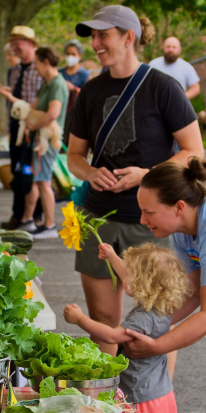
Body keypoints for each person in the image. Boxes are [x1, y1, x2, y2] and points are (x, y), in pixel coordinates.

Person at [66, 4, 204, 357]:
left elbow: (194, 151)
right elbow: (74, 158)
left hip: (153, 223)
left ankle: (154, 404)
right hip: (98, 219)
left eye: (103, 35)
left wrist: (147, 176)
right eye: (92, 36)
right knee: (103, 319)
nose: (95, 43)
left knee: (156, 316)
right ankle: (110, 406)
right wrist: (90, 172)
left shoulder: (163, 87)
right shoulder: (90, 92)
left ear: (129, 37)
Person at [64, 242, 191, 413]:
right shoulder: (164, 307)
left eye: (130, 274)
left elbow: (112, 336)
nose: (125, 278)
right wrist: (112, 256)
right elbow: (127, 275)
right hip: (159, 390)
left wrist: (80, 319)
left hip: (140, 393)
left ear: (143, 284)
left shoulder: (142, 318)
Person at [122, 159, 206, 364]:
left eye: (149, 212)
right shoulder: (182, 230)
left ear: (179, 207)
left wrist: (156, 346)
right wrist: (142, 326)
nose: (142, 220)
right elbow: (192, 291)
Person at [0, 46, 68, 239]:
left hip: (47, 140)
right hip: (37, 140)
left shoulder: (57, 84)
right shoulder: (46, 84)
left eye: (36, 63)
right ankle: (30, 220)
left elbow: (53, 113)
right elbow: (30, 107)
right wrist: (7, 95)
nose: (34, 67)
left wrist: (32, 126)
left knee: (43, 182)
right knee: (36, 181)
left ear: (45, 62)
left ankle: (49, 225)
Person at [0, 26, 43, 230]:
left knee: (29, 174)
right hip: (16, 127)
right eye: (12, 43)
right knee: (16, 172)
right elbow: (17, 95)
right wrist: (2, 89)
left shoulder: (39, 68)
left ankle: (33, 216)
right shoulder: (15, 70)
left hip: (32, 129)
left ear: (30, 44)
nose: (14, 47)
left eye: (17, 43)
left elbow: (34, 102)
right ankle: (19, 214)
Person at [59, 40, 90, 146]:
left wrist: (73, 88)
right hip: (59, 112)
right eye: (68, 54)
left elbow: (88, 96)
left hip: (75, 116)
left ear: (79, 56)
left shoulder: (84, 74)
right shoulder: (59, 72)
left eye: (73, 54)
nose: (70, 57)